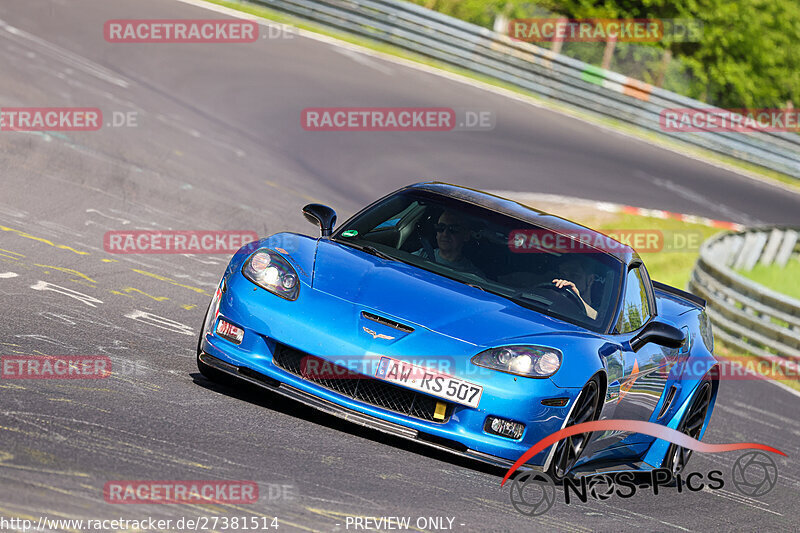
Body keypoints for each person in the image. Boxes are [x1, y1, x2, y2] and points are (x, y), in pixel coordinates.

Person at [414, 210, 484, 277]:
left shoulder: (473, 275)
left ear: (466, 236)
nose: (445, 234)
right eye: (441, 227)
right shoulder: (420, 256)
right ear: (436, 233)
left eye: (453, 229)